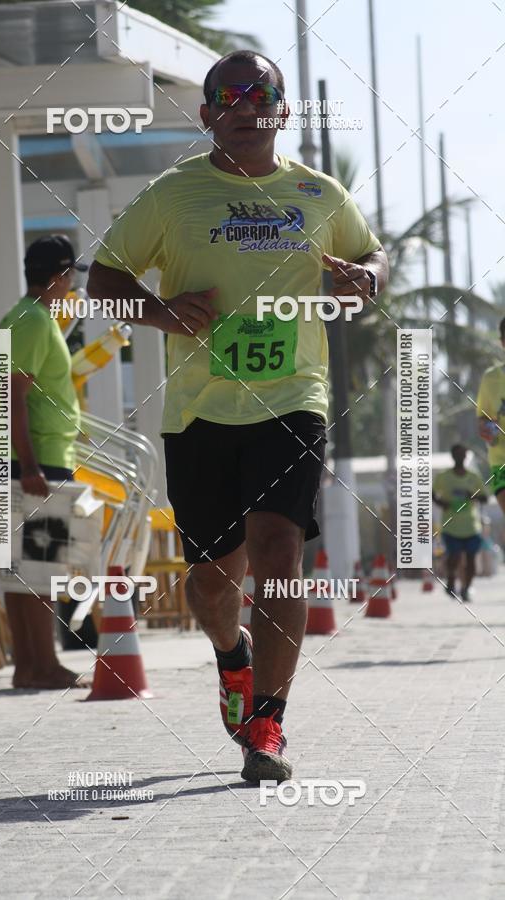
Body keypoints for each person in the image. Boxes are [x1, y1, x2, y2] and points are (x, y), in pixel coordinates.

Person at [87, 51, 389, 783]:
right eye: (230, 96)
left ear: (282, 111)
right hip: (200, 411)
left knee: (280, 550)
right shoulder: (173, 195)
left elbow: (373, 255)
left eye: (261, 95)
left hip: (293, 398)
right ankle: (232, 655)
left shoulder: (318, 193)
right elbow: (102, 279)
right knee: (212, 585)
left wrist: (366, 279)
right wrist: (161, 312)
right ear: (208, 114)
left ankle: (268, 725)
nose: (246, 107)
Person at [0, 235, 90, 689]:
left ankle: (27, 666)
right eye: (70, 275)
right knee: (42, 566)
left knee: (17, 569)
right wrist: (31, 464)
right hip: (40, 461)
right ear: (58, 276)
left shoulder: (16, 317)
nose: (72, 284)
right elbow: (12, 396)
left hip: (16, 460)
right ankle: (45, 665)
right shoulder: (34, 321)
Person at [432, 444, 487, 602]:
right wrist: (441, 503)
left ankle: (466, 588)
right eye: (457, 454)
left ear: (466, 457)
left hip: (471, 526)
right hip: (451, 526)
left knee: (471, 560)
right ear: (452, 456)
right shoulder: (444, 477)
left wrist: (473, 496)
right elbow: (432, 493)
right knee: (454, 557)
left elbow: (484, 497)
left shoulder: (473, 476)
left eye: (463, 454)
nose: (460, 457)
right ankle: (450, 581)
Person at [477, 317, 505, 516]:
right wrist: (485, 429)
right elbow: (482, 418)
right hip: (501, 461)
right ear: (502, 342)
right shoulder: (491, 378)